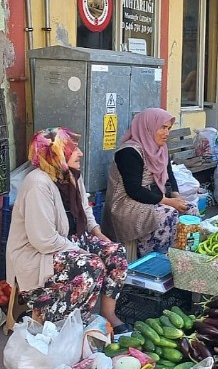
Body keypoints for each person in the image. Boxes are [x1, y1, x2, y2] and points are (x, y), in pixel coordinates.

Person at [6, 128, 130, 333]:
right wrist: (82, 252)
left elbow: (85, 209)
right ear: (53, 154)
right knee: (91, 265)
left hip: (67, 241)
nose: (80, 153)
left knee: (115, 252)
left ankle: (109, 314)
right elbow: (43, 240)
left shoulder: (70, 175)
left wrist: (99, 234)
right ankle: (62, 324)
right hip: (36, 253)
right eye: (73, 149)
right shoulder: (37, 183)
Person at [103, 108, 198, 259]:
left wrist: (176, 195)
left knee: (190, 209)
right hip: (125, 202)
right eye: (163, 128)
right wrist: (168, 201)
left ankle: (184, 257)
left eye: (168, 128)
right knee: (168, 214)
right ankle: (155, 260)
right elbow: (133, 189)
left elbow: (169, 175)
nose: (167, 133)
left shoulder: (161, 149)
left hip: (151, 196)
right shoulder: (129, 152)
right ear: (149, 127)